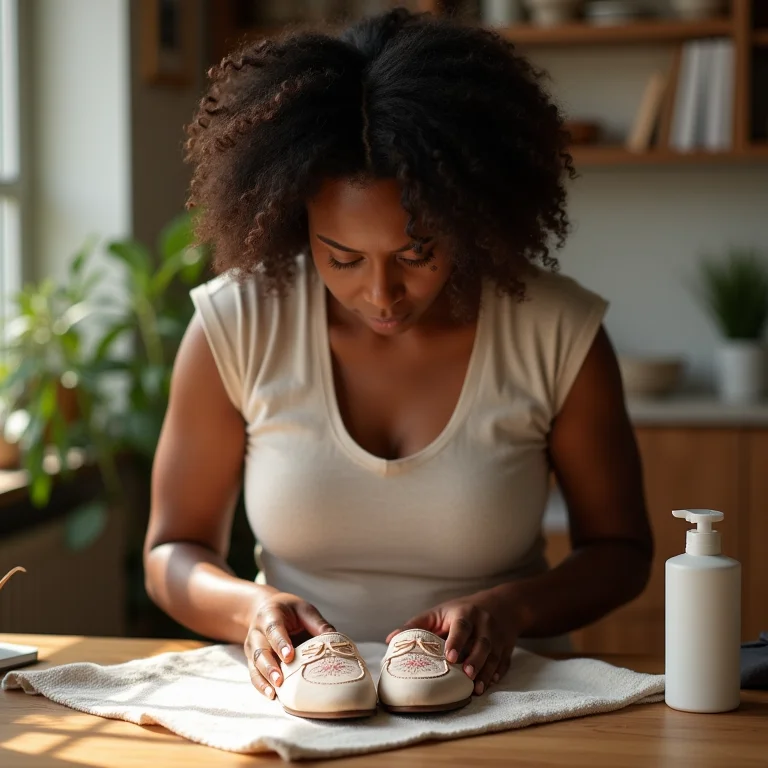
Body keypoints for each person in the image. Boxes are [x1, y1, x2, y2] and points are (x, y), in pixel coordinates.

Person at [143, 8, 653, 704]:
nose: (380, 294)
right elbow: (171, 550)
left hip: (509, 699)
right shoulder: (237, 325)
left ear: (469, 216)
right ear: (297, 221)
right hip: (300, 705)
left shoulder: (557, 331)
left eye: (417, 252)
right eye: (342, 258)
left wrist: (513, 610)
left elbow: (620, 552)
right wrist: (249, 610)